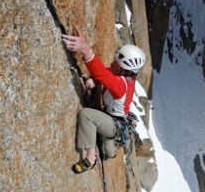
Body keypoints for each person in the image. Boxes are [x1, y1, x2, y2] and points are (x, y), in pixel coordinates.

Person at [61, 26, 146, 174]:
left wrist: (85, 50)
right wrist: (94, 81)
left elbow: (104, 75)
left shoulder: (121, 85)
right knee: (107, 152)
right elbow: (106, 73)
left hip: (113, 123)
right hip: (114, 122)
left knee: (87, 115)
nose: (112, 63)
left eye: (116, 63)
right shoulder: (125, 79)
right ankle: (109, 148)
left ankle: (90, 159)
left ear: (124, 70)